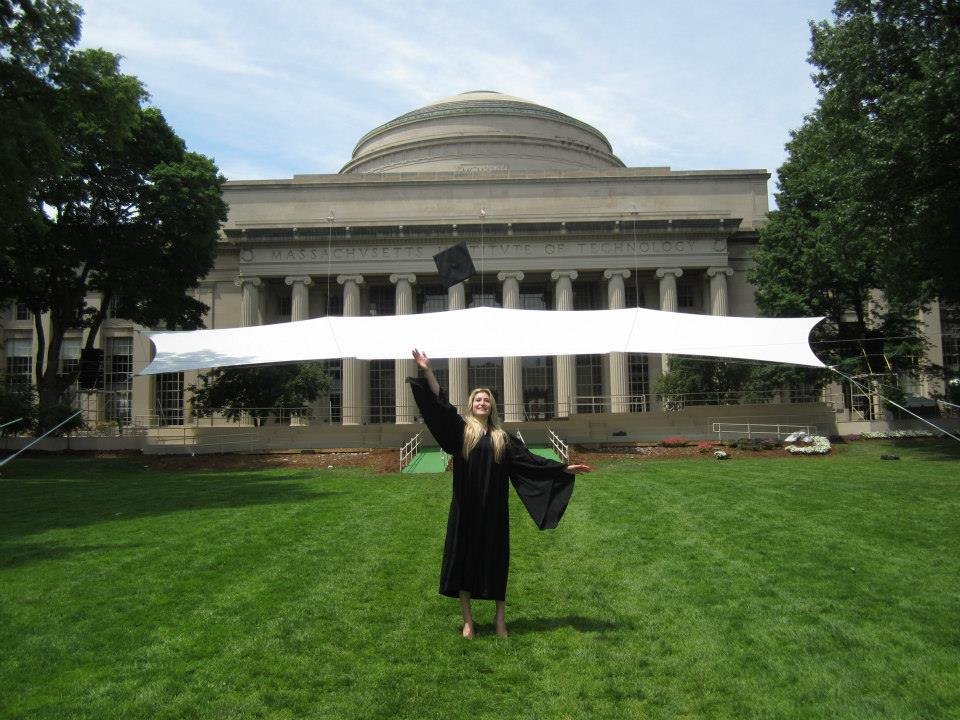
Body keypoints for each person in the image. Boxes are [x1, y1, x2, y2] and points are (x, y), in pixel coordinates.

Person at [409, 348, 591, 638]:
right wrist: (427, 370)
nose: (482, 403)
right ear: (472, 405)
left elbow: (529, 461)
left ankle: (499, 620)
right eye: (477, 399)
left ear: (492, 407)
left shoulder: (502, 438)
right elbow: (440, 405)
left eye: (486, 400)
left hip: (494, 510)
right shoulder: (460, 431)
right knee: (464, 560)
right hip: (466, 508)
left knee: (496, 561)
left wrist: (564, 469)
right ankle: (468, 621)